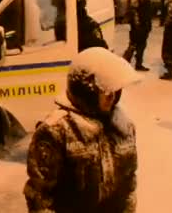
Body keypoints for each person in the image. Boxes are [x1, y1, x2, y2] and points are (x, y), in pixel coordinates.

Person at [24, 47, 139, 213]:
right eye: (103, 89)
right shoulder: (55, 131)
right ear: (85, 90)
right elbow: (39, 196)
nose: (111, 95)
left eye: (114, 89)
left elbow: (129, 181)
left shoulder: (123, 125)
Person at [123, 0, 154, 71]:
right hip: (138, 25)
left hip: (145, 24)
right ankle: (124, 64)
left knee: (142, 45)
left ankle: (139, 64)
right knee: (133, 44)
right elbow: (133, 11)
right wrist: (137, 24)